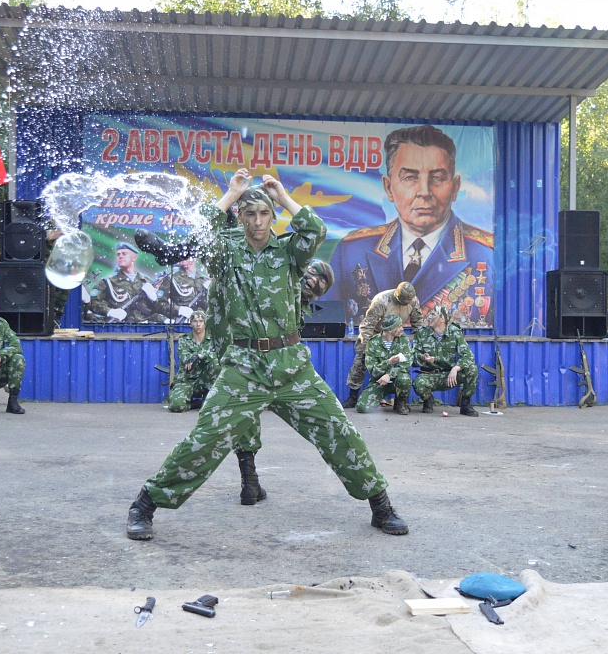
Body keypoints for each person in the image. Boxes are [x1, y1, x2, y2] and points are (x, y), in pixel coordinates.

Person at [125, 169, 408, 541]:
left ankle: (381, 506)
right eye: (249, 214)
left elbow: (314, 230)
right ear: (241, 217)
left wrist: (282, 196)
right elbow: (205, 231)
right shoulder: (226, 251)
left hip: (291, 366)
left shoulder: (289, 252)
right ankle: (145, 504)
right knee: (206, 439)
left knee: (339, 431)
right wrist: (232, 193)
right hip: (244, 368)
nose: (257, 222)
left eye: (263, 214)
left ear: (273, 217)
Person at [325, 124, 494, 327]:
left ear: (455, 187)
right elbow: (328, 327)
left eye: (437, 178)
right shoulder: (352, 252)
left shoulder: (486, 254)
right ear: (389, 187)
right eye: (410, 177)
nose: (424, 192)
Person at [341, 282, 423, 408]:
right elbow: (367, 325)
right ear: (399, 297)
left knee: (403, 361)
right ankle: (353, 396)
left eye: (410, 299)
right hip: (376, 334)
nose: (409, 302)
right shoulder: (382, 301)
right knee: (360, 361)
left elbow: (418, 323)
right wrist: (368, 347)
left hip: (398, 335)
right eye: (406, 300)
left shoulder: (413, 301)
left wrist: (419, 343)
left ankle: (400, 399)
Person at [412, 305, 480, 416]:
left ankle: (465, 405)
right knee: (418, 384)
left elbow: (468, 356)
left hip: (450, 376)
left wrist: (456, 368)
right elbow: (413, 358)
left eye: (433, 314)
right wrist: (423, 358)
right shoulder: (422, 333)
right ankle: (428, 400)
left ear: (442, 319)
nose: (429, 316)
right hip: (430, 375)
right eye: (429, 314)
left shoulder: (454, 332)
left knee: (472, 370)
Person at [87, 242, 165, 323]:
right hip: (118, 327)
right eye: (118, 254)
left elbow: (159, 310)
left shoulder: (146, 281)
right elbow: (92, 301)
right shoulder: (108, 281)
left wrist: (153, 298)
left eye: (124, 254)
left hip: (143, 327)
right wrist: (109, 311)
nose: (120, 256)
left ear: (134, 258)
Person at [355, 314, 413, 414]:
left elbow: (407, 362)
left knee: (404, 379)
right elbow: (372, 370)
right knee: (362, 407)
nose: (402, 329)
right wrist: (388, 362)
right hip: (379, 381)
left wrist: (389, 375)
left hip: (397, 379)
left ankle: (400, 403)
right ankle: (378, 399)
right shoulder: (373, 343)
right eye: (399, 326)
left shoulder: (403, 339)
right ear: (390, 329)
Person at [164, 309, 218, 412]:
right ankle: (196, 404)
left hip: (206, 381)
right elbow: (186, 358)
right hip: (187, 380)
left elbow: (217, 356)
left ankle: (208, 396)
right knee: (176, 406)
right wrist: (200, 357)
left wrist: (200, 356)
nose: (198, 324)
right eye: (195, 321)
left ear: (205, 323)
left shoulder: (213, 340)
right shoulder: (184, 340)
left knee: (216, 363)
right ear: (190, 323)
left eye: (201, 321)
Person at [157, 256, 210, 323]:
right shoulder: (172, 278)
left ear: (194, 258)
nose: (182, 257)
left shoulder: (203, 280)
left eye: (186, 255)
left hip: (201, 324)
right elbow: (159, 304)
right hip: (181, 323)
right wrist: (179, 310)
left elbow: (209, 306)